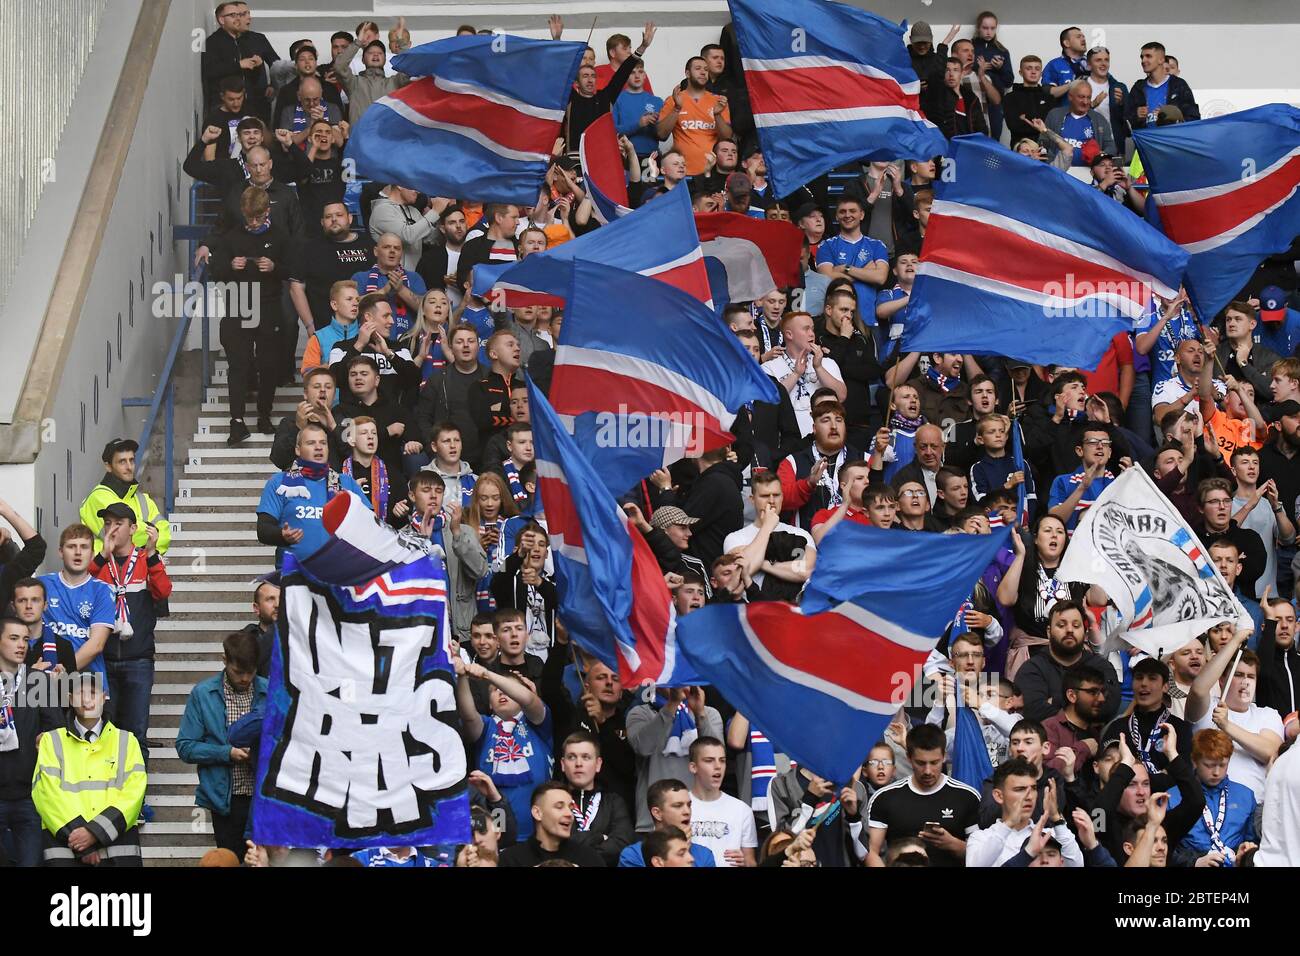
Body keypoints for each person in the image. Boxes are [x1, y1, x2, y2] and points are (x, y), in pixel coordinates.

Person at [31, 675, 146, 867]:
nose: (86, 700)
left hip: (118, 851)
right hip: (65, 849)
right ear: (69, 699)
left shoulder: (127, 740)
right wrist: (81, 842)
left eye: (92, 693)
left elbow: (133, 794)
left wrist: (94, 833)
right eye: (79, 693)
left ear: (104, 697)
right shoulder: (51, 741)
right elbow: (46, 794)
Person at [88, 503, 170, 769]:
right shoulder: (100, 563)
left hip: (138, 660)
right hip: (103, 660)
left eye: (117, 523)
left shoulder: (146, 559)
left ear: (133, 528)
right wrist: (102, 555)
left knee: (135, 734)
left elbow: (163, 591)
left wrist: (153, 553)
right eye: (107, 523)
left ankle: (138, 801)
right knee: (104, 733)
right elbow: (83, 591)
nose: (110, 529)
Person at [175, 631, 265, 858]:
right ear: (225, 661)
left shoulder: (269, 691)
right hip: (225, 798)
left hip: (263, 796)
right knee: (230, 859)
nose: (245, 678)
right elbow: (185, 746)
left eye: (250, 672)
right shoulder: (204, 694)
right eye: (238, 672)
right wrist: (227, 753)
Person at [454, 655, 553, 839]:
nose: (501, 693)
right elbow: (468, 716)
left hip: (540, 831)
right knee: (501, 846)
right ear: (490, 704)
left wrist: (488, 675)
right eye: (494, 691)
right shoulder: (486, 726)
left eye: (506, 689)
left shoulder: (537, 721)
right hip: (498, 821)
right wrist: (462, 677)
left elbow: (530, 700)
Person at [1186, 631, 1283, 805]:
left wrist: (1227, 725)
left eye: (1251, 676)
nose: (1245, 682)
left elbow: (1269, 751)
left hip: (1253, 808)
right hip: (1205, 803)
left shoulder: (1268, 714)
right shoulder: (1208, 707)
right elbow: (1198, 689)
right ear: (1222, 680)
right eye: (1238, 675)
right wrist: (1236, 640)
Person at [866, 723, 980, 867]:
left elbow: (980, 856)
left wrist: (952, 843)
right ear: (908, 757)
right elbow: (871, 852)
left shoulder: (966, 796)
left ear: (944, 756)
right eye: (920, 763)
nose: (927, 771)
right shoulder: (885, 798)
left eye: (934, 762)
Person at [0, 616, 63, 866]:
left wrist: (47, 736)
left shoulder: (37, 681)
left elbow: (57, 727)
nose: (21, 645)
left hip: (29, 797)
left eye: (25, 639)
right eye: (13, 638)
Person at [626, 685, 722, 832]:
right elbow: (643, 747)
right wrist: (672, 704)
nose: (681, 683)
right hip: (653, 824)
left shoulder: (709, 714)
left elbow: (717, 757)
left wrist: (700, 714)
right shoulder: (640, 713)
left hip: (701, 823)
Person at [39, 526, 116, 695]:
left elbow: (96, 644)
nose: (78, 552)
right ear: (60, 551)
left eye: (84, 547)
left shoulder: (103, 590)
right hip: (46, 685)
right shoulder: (42, 585)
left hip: (90, 685)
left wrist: (61, 672)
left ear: (92, 552)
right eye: (71, 546)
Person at [1016, 600, 1121, 722]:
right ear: (1049, 632)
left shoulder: (1100, 667)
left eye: (1076, 625)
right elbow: (1034, 712)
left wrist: (1055, 700)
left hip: (1094, 738)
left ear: (1085, 632)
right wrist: (1086, 702)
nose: (1070, 630)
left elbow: (1109, 706)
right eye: (1061, 625)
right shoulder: (1032, 668)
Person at [1167, 728, 1258, 867]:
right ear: (1194, 761)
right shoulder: (1172, 798)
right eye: (1209, 765)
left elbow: (1254, 843)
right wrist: (1194, 863)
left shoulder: (1246, 796)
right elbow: (1162, 849)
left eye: (1222, 765)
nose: (1216, 772)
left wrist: (1245, 853)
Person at [967, 759, 1082, 867]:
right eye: (1020, 789)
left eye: (1033, 788)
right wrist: (1009, 823)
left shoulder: (1050, 834)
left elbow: (1076, 865)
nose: (1029, 796)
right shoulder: (981, 838)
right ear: (999, 796)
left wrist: (1056, 818)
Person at [723, 472, 816, 602]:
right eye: (765, 496)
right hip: (752, 610)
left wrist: (763, 562)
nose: (772, 501)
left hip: (792, 611)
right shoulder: (735, 538)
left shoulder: (801, 534)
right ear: (752, 499)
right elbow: (739, 573)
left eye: (776, 495)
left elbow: (805, 571)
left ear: (782, 497)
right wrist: (767, 526)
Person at [287, 202, 374, 338]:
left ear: (350, 218)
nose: (334, 219)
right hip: (327, 330)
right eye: (328, 217)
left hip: (367, 327)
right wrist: (310, 325)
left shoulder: (369, 245)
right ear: (322, 222)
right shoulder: (309, 249)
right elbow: (296, 287)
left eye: (339, 215)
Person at [80, 438, 171, 555]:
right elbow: (121, 537)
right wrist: (151, 535)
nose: (129, 467)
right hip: (105, 570)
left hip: (139, 570)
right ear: (108, 466)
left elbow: (166, 534)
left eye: (131, 460)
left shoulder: (143, 499)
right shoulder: (97, 497)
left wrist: (143, 533)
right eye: (122, 462)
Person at [558, 731, 634, 867]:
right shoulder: (553, 800)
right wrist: (599, 837)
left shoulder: (614, 802)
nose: (578, 763)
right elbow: (556, 842)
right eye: (571, 757)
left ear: (598, 764)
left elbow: (622, 843)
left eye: (586, 757)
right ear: (563, 764)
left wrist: (581, 856)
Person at [498, 781, 606, 867]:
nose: (569, 814)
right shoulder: (510, 860)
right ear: (537, 813)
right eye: (559, 807)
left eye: (571, 808)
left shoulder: (589, 859)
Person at [685, 736, 756, 867]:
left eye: (722, 761)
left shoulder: (741, 809)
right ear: (693, 767)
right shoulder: (678, 807)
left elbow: (751, 861)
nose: (718, 766)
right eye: (709, 760)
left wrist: (744, 862)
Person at [202, 1, 279, 119]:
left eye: (239, 15)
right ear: (221, 20)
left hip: (252, 104)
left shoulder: (249, 40)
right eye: (233, 15)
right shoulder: (212, 42)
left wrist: (257, 66)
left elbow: (274, 64)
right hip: (224, 106)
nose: (238, 19)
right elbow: (210, 70)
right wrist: (238, 65)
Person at [656, 55, 731, 176]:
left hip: (712, 172)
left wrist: (717, 114)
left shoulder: (718, 101)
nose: (703, 72)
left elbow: (726, 139)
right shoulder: (674, 100)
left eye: (706, 69)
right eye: (698, 68)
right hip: (682, 172)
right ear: (687, 73)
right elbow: (661, 134)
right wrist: (677, 108)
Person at [619, 778, 717, 866]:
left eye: (689, 805)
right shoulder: (633, 855)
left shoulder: (704, 855)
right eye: (678, 805)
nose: (687, 811)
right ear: (657, 813)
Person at [1046, 422, 1119, 532]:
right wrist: (1082, 487)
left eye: (1105, 443)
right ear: (1080, 451)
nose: (1100, 447)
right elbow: (1055, 521)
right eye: (1093, 442)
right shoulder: (1063, 481)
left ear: (1109, 452)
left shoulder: (1118, 484)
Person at [332, 23, 410, 125]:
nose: (376, 54)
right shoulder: (354, 83)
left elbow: (410, 68)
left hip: (386, 138)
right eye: (370, 52)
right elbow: (339, 66)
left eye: (380, 53)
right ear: (363, 60)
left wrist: (402, 44)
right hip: (361, 139)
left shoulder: (394, 82)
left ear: (385, 59)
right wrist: (357, 43)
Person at [1127, 41, 1199, 129]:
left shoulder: (1178, 84)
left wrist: (1170, 116)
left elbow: (1194, 118)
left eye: (1148, 56)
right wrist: (1136, 115)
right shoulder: (1138, 88)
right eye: (1142, 57)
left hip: (1171, 141)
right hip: (1146, 142)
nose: (1143, 60)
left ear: (1161, 60)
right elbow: (1125, 120)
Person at [1043, 26, 1088, 101]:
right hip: (1064, 111)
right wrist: (1071, 85)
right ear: (1067, 43)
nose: (1083, 39)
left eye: (1083, 37)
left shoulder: (1093, 63)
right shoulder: (1054, 64)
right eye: (1078, 37)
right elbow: (1048, 93)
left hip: (1092, 112)